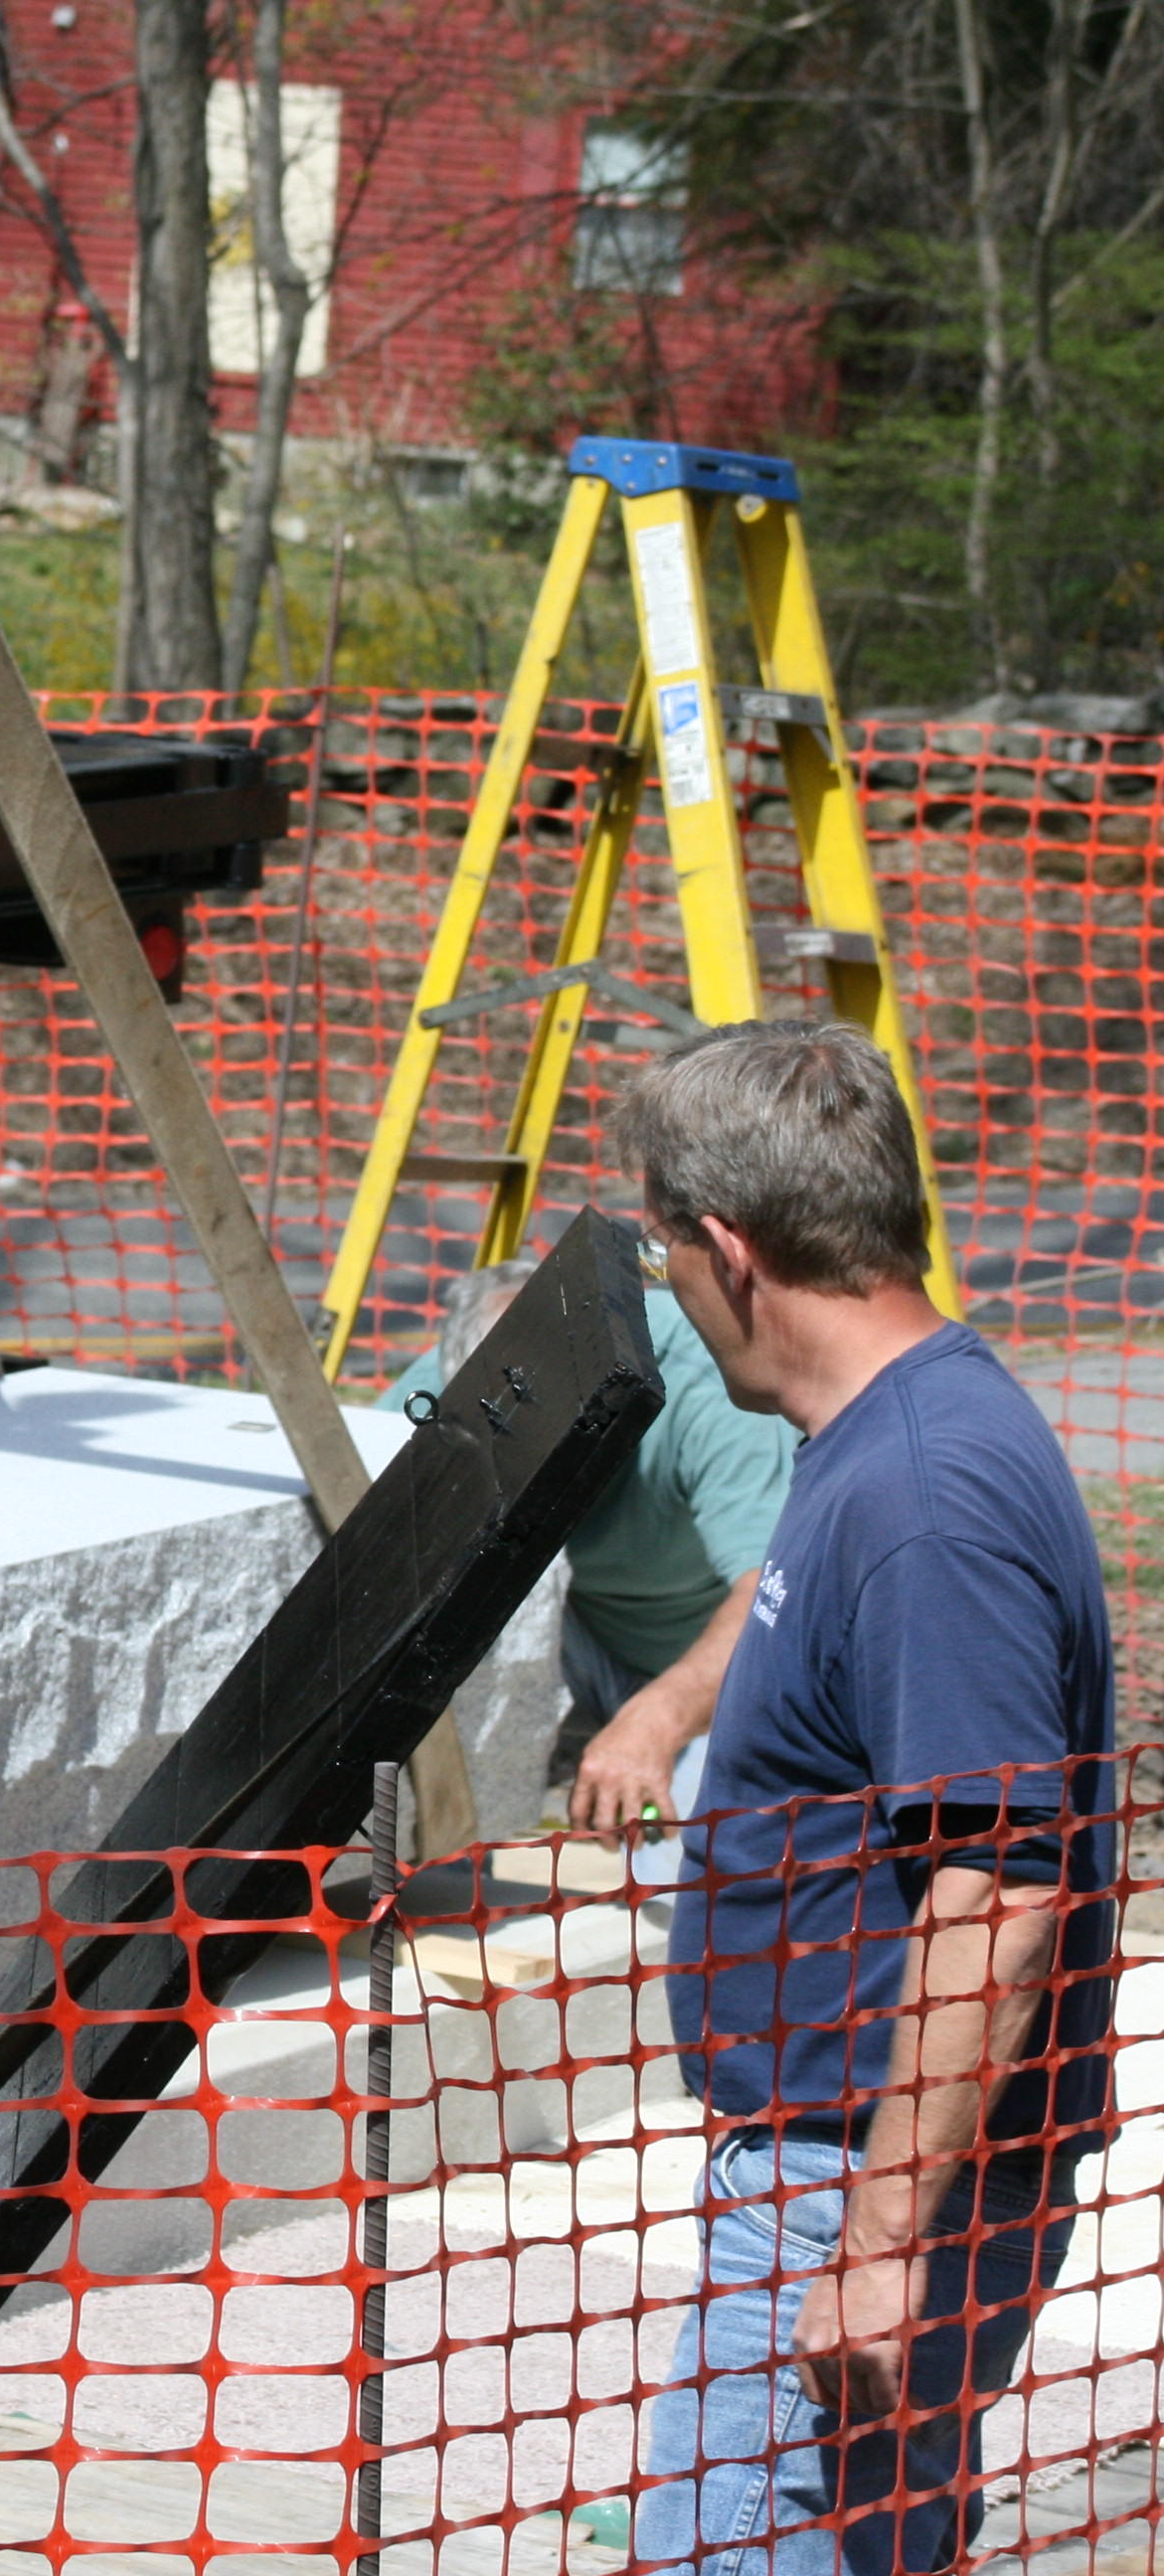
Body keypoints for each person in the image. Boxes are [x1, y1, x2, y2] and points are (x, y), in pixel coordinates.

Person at [613, 1023, 1116, 2576]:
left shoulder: (924, 1501)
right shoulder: (884, 1434)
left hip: (864, 2181)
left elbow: (999, 1887)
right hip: (856, 2167)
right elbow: (816, 1603)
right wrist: (675, 1699)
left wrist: (883, 2245)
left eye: (659, 1250)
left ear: (727, 1251)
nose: (666, 1288)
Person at [383, 1256, 796, 1839]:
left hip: (722, 1673)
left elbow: (776, 1603)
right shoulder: (463, 1379)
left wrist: (656, 1721)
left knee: (692, 1872)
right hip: (577, 1625)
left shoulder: (706, 1393)